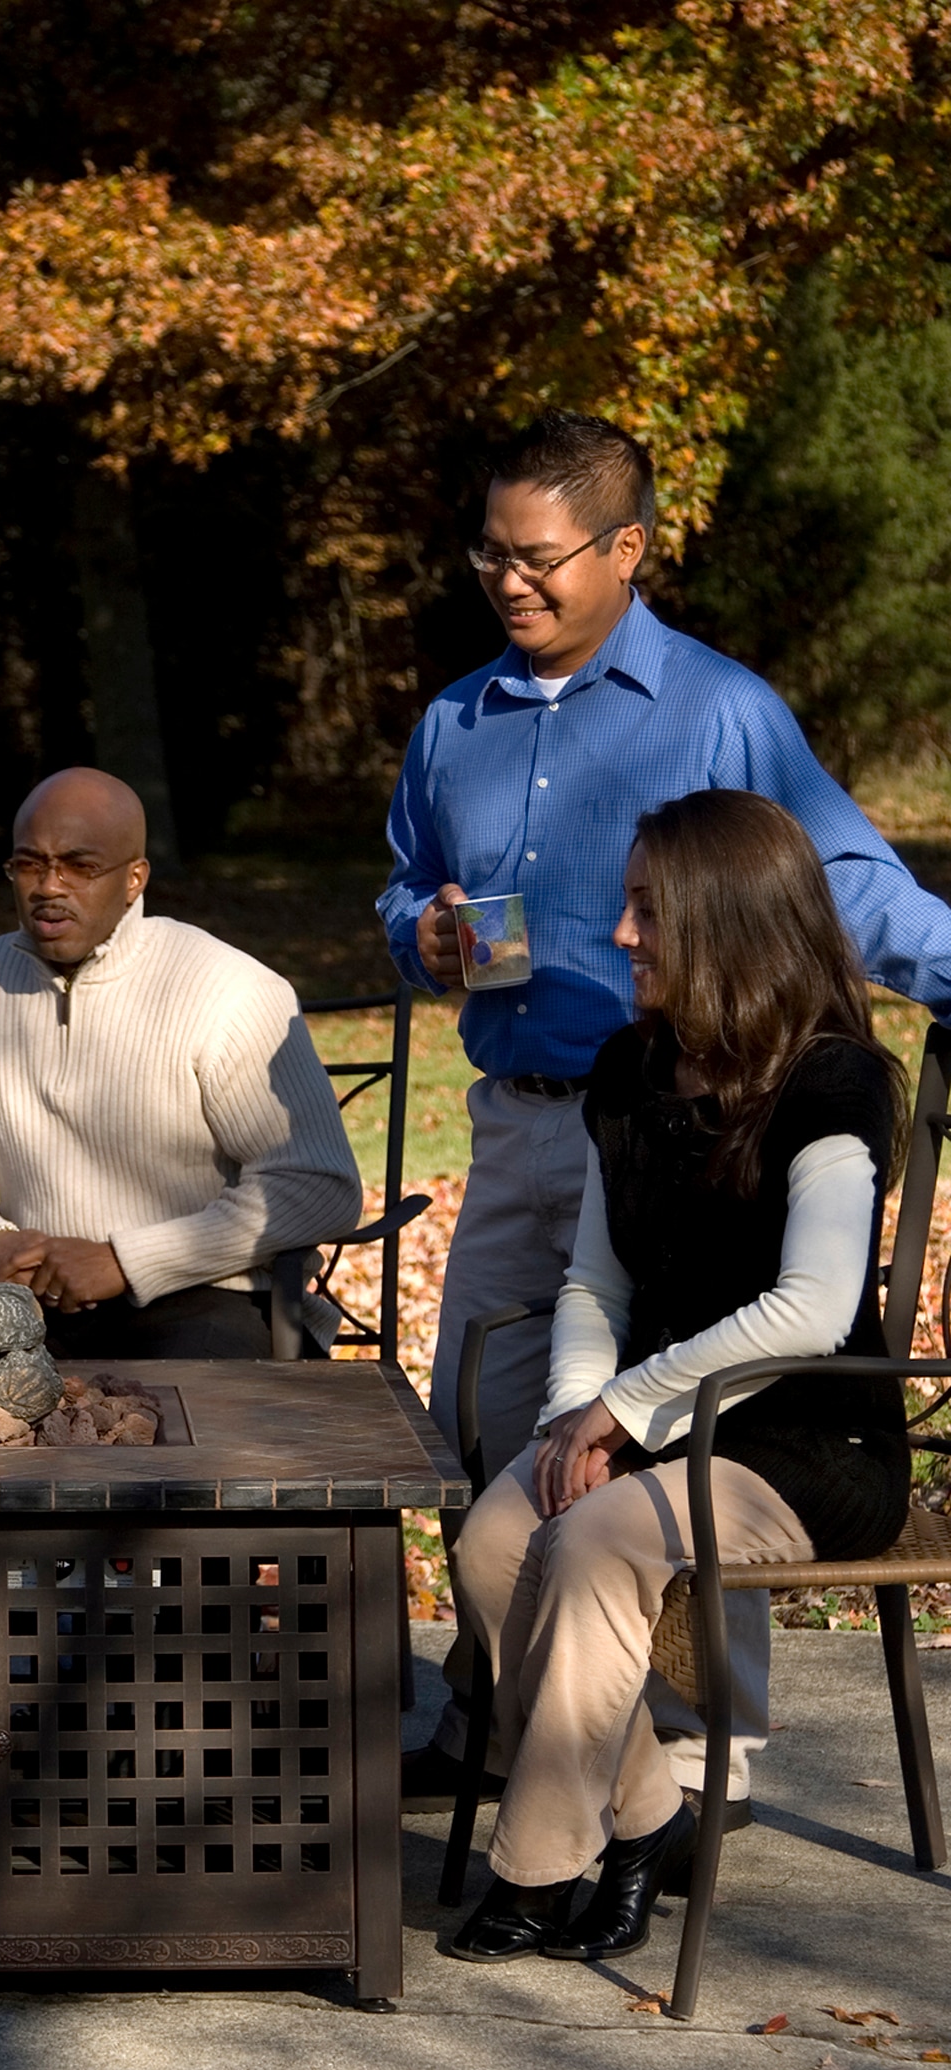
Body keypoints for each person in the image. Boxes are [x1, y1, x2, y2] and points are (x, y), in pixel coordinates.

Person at [379, 410, 951, 1809]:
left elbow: (850, 890)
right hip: (527, 1127)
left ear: (626, 548)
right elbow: (404, 887)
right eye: (490, 559)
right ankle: (537, 1731)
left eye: (540, 559)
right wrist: (422, 936)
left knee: (697, 1435)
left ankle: (705, 1755)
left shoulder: (723, 712)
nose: (510, 584)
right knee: (497, 1431)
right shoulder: (453, 719)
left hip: (705, 1136)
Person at [444, 791, 908, 1966]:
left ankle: (538, 1872)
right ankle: (650, 1821)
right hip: (658, 1426)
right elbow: (595, 1283)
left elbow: (812, 1308)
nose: (622, 935)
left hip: (807, 1451)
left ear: (727, 918)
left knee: (597, 1544)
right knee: (500, 1536)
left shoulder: (834, 1083)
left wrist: (621, 1410)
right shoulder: (633, 1065)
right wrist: (569, 1423)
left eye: (648, 909)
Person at [0, 765, 361, 1357]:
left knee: (165, 1426)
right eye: (29, 863)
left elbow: (319, 1186)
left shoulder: (227, 988)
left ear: (134, 878)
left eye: (80, 866)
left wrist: (125, 1260)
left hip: (209, 1301)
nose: (49, 885)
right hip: (29, 1306)